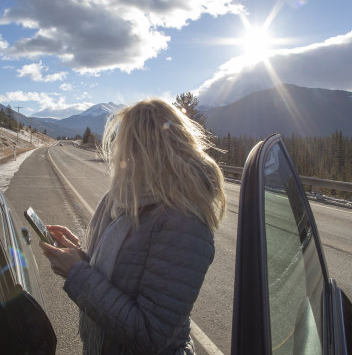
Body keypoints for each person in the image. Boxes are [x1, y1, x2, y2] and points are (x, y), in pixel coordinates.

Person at [40, 99, 226, 355]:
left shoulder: (184, 223)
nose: (118, 154)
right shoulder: (131, 202)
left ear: (148, 150)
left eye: (125, 144)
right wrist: (79, 259)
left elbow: (150, 334)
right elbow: (122, 278)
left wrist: (78, 274)